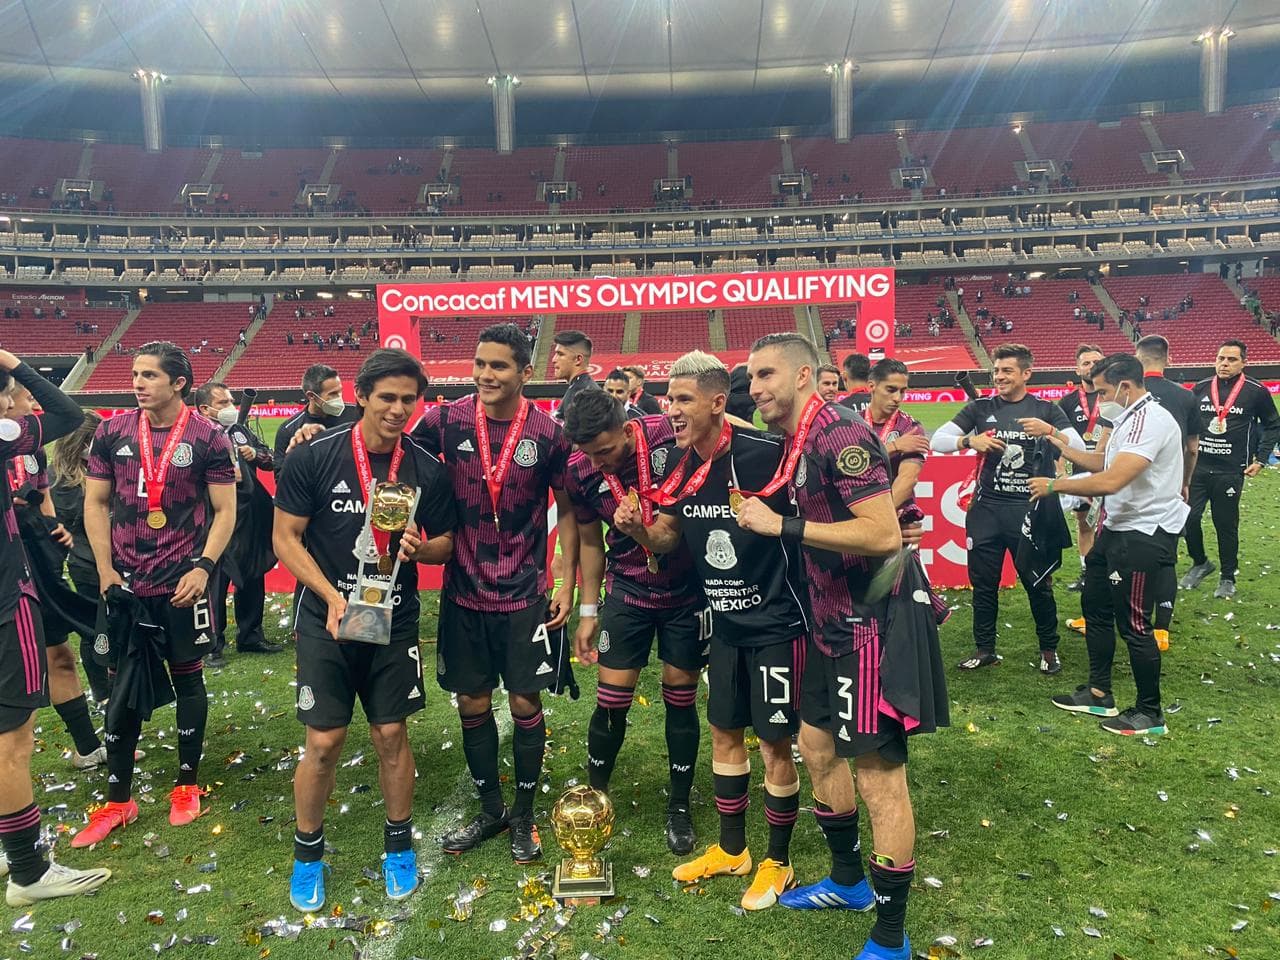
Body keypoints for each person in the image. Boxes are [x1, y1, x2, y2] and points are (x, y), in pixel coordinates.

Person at [742, 334, 935, 960]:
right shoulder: (804, 436)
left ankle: (890, 937)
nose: (756, 388)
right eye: (750, 378)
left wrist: (783, 526)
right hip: (829, 626)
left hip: (869, 628)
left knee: (880, 776)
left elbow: (881, 533)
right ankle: (848, 880)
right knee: (816, 746)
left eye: (766, 374)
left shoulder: (839, 434)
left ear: (805, 377)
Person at [614, 351, 806, 912]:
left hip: (775, 623)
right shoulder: (676, 463)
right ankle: (732, 850)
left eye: (682, 400)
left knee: (774, 743)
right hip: (721, 624)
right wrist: (640, 533)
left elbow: (814, 514)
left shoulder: (767, 456)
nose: (670, 410)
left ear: (718, 403)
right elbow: (670, 537)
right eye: (668, 399)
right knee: (723, 734)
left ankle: (778, 860)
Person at [274, 349, 457, 911]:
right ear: (360, 396)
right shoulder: (316, 457)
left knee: (391, 736)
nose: (399, 409)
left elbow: (447, 543)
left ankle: (398, 848)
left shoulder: (426, 466)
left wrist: (420, 548)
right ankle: (308, 856)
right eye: (388, 398)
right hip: (324, 618)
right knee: (324, 742)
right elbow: (286, 538)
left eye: (408, 399)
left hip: (393, 619)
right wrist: (331, 598)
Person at [412, 323, 579, 865]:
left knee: (527, 702)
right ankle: (491, 809)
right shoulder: (445, 420)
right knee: (472, 702)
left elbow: (570, 509)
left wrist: (565, 576)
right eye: (480, 363)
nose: (485, 374)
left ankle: (525, 816)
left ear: (525, 372)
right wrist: (311, 429)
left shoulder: (549, 434)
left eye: (498, 365)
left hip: (525, 593)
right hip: (463, 592)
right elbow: (392, 455)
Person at [74, 342, 237, 847]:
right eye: (135, 374)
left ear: (178, 383)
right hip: (124, 585)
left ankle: (186, 786)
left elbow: (226, 511)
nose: (138, 383)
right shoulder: (112, 431)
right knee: (120, 687)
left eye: (149, 375)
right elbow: (96, 503)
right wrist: (104, 569)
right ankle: (119, 799)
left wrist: (204, 568)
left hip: (182, 585)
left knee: (188, 680)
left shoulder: (209, 436)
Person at [561, 389, 704, 855]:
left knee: (680, 698)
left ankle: (679, 805)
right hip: (628, 591)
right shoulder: (580, 471)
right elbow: (588, 543)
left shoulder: (669, 436)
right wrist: (588, 611)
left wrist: (638, 527)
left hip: (687, 590)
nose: (598, 462)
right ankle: (594, 799)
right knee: (610, 701)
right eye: (588, 453)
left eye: (605, 451)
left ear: (626, 430)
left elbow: (668, 532)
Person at [0, 349, 113, 905]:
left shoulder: (23, 454)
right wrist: (15, 363)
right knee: (11, 738)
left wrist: (40, 522)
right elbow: (68, 415)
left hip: (29, 565)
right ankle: (27, 870)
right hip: (5, 595)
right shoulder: (6, 433)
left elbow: (36, 496)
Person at [1030, 354, 1188, 736]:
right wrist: (1057, 443)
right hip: (1117, 527)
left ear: (1125, 387)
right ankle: (1100, 694)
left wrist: (1055, 486)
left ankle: (1150, 713)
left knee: (1134, 623)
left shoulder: (1152, 420)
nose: (1099, 400)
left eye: (1102, 392)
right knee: (1095, 605)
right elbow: (1101, 461)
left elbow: (1112, 479)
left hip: (1144, 533)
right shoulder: (1129, 417)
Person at [930, 344, 1083, 674]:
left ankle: (1048, 649)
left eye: (1007, 371)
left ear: (1026, 373)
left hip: (1029, 511)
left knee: (1038, 583)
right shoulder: (981, 407)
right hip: (986, 511)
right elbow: (937, 440)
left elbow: (1080, 448)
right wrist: (970, 442)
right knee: (983, 584)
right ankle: (985, 649)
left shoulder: (1046, 409)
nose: (999, 376)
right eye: (996, 371)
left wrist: (1052, 432)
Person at [5, 385, 109, 769]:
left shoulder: (32, 448)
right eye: (20, 396)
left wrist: (54, 529)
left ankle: (87, 747)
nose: (31, 404)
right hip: (6, 564)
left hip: (38, 564)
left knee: (59, 655)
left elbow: (45, 501)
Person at [1181, 340, 1280, 599]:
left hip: (1231, 470)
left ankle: (1227, 577)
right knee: (1188, 518)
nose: (1224, 364)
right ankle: (1200, 561)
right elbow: (1187, 425)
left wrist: (1260, 458)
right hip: (1198, 468)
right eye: (1220, 358)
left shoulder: (1255, 391)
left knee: (1225, 525)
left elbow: (1273, 425)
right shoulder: (1201, 388)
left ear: (1243, 363)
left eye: (1231, 360)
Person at [192, 382, 282, 663]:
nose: (230, 407)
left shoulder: (240, 431)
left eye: (231, 401)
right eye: (222, 403)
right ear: (205, 409)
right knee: (216, 579)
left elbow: (271, 460)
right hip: (215, 515)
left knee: (253, 573)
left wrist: (257, 455)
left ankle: (251, 635)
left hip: (250, 514)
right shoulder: (196, 436)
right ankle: (212, 644)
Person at [48, 410, 112, 704]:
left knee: (116, 624)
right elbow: (71, 521)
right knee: (95, 629)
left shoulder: (106, 466)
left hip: (117, 557)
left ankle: (117, 681)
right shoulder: (59, 479)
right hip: (86, 562)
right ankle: (102, 692)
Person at [1056, 345, 1109, 591]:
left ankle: (1112, 572)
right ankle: (1088, 573)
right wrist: (1061, 472)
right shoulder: (1066, 402)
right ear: (1077, 369)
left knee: (1113, 524)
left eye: (1096, 362)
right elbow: (1056, 440)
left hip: (1112, 471)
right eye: (1086, 363)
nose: (1091, 367)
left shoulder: (1114, 395)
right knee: (1084, 523)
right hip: (1080, 473)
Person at [274, 364, 359, 466]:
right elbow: (280, 476)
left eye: (340, 392)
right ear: (311, 396)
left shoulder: (357, 414)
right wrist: (293, 459)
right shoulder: (288, 430)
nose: (339, 398)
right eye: (333, 394)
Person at [551, 330, 599, 420]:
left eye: (560, 354)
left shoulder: (582, 395)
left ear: (578, 359)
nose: (554, 359)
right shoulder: (582, 387)